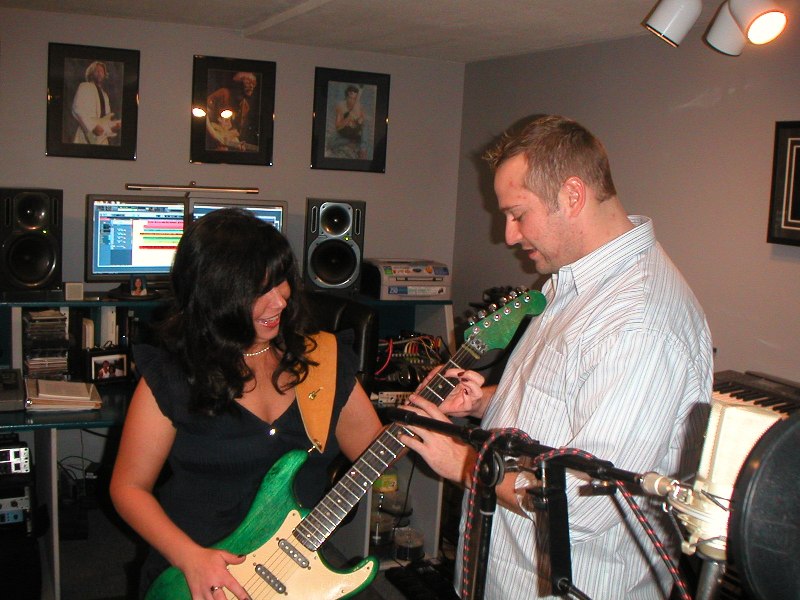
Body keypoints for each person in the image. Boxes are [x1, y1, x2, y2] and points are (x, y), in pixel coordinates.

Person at [401, 115, 713, 599]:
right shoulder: (572, 278)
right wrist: (487, 400)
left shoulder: (637, 323)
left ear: (572, 196)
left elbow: (585, 505)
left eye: (517, 214)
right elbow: (567, 400)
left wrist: (464, 463)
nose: (508, 235)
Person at [109, 208, 383, 599]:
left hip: (292, 575)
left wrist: (429, 414)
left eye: (282, 281)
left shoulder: (321, 360)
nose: (281, 301)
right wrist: (189, 557)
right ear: (216, 295)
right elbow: (128, 487)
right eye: (260, 290)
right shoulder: (173, 374)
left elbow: (374, 451)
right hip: (194, 574)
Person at [205, 72, 259, 152]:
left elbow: (234, 130)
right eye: (248, 83)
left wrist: (237, 143)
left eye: (253, 84)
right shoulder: (223, 94)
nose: (251, 86)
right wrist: (215, 135)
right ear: (238, 84)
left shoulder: (245, 107)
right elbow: (203, 113)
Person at [71, 60, 121, 145]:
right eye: (97, 70)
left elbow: (106, 119)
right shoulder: (85, 86)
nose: (99, 73)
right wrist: (91, 129)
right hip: (86, 135)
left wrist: (113, 127)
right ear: (91, 73)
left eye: (101, 71)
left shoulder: (105, 95)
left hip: (102, 139)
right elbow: (77, 109)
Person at [328, 84, 368, 159]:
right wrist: (347, 120)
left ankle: (363, 150)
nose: (352, 101)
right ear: (346, 97)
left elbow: (362, 120)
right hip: (344, 131)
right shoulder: (340, 106)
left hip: (355, 132)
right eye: (350, 98)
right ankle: (350, 142)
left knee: (365, 127)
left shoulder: (359, 106)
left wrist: (359, 120)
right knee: (331, 143)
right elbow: (338, 126)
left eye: (354, 99)